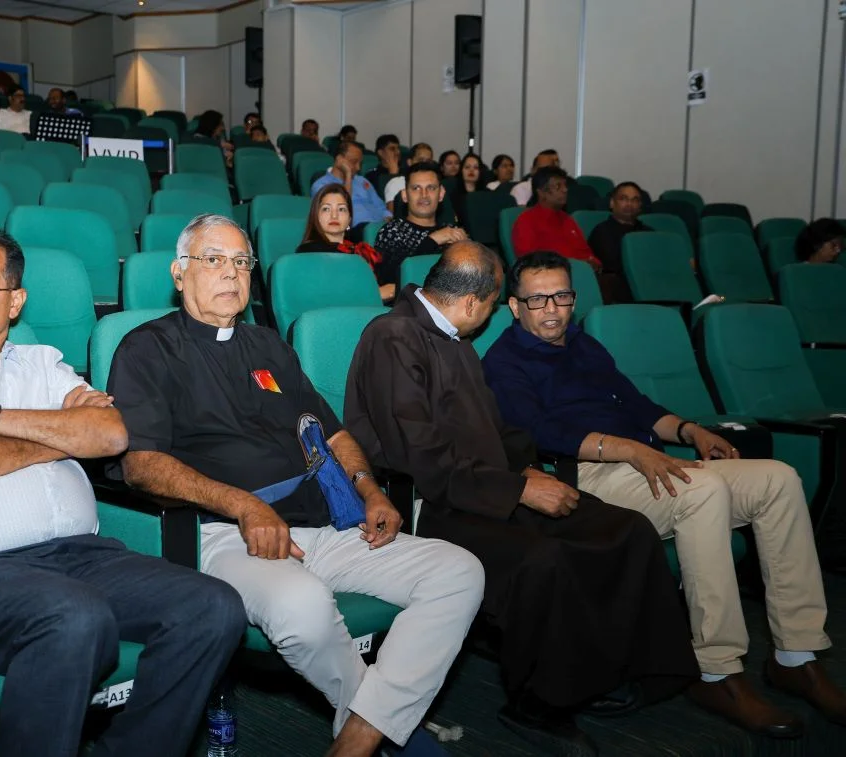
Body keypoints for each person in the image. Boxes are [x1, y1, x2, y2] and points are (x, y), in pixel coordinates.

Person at [110, 214, 484, 757]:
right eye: (213, 259)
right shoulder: (147, 349)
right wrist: (241, 505)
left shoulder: (268, 345)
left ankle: (360, 737)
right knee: (302, 606)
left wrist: (368, 488)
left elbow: (332, 432)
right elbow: (142, 464)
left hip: (320, 522)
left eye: (241, 262)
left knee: (458, 572)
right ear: (179, 272)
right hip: (221, 532)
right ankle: (390, 730)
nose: (231, 273)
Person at [0, 225, 245, 757]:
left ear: (15, 301)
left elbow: (110, 433)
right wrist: (58, 441)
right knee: (74, 616)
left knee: (214, 606)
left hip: (82, 557)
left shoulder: (43, 363)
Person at [346, 242, 699, 756]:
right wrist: (518, 488)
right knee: (543, 558)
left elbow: (497, 429)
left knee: (625, 528)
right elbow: (418, 456)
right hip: (431, 502)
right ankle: (538, 704)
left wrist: (527, 467)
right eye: (493, 305)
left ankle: (630, 670)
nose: (490, 315)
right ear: (472, 302)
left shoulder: (452, 339)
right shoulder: (393, 337)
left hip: (484, 484)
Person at [482, 250, 846, 738]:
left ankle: (796, 656)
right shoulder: (504, 361)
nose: (551, 309)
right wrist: (631, 450)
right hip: (586, 475)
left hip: (643, 461)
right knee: (703, 491)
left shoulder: (586, 346)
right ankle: (716, 670)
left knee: (779, 479)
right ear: (514, 305)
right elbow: (539, 432)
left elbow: (637, 405)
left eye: (562, 296)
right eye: (537, 299)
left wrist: (690, 430)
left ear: (573, 298)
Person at [374, 161, 467, 296]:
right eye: (416, 188)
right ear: (405, 195)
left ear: (441, 194)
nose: (424, 195)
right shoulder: (392, 231)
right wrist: (432, 241)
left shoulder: (453, 232)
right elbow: (392, 280)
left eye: (431, 188)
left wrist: (466, 248)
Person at [297, 185, 389, 300]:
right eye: (326, 209)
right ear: (316, 216)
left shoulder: (362, 252)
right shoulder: (308, 251)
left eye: (341, 209)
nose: (334, 215)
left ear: (349, 219)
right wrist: (379, 294)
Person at [511, 166, 601, 270]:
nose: (565, 190)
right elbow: (529, 262)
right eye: (558, 186)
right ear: (541, 192)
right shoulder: (526, 221)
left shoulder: (568, 220)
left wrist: (594, 263)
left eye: (565, 185)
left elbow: (587, 254)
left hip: (580, 273)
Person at [587, 182, 650, 303]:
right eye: (623, 199)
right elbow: (612, 265)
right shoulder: (602, 231)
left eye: (635, 200)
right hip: (619, 288)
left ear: (640, 205)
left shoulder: (648, 233)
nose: (629, 204)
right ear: (612, 203)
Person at [310, 141, 391, 227]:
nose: (358, 168)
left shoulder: (362, 181)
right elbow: (342, 207)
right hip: (356, 229)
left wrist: (388, 218)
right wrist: (348, 175)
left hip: (380, 225)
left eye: (360, 163)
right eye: (354, 162)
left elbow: (381, 207)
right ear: (339, 159)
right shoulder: (321, 185)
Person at [382, 144, 434, 213]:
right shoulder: (396, 183)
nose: (424, 164)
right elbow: (392, 215)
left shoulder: (436, 185)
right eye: (420, 160)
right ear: (410, 162)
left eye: (428, 161)